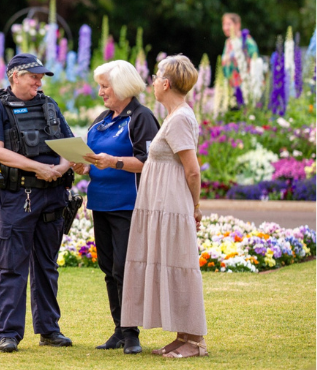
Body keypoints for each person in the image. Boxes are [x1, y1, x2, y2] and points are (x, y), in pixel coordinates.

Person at [0, 53, 74, 353]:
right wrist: (38, 168)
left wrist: (61, 167)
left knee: (47, 265)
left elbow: (69, 144)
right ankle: (8, 332)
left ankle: (49, 329)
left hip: (52, 196)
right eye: (33, 75)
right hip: (16, 197)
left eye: (41, 76)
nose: (38, 80)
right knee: (12, 267)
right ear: (14, 77)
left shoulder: (50, 105)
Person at [121, 55, 208, 358]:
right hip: (161, 205)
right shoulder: (174, 116)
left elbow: (192, 170)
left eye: (157, 77)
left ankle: (195, 342)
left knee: (180, 267)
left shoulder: (181, 117)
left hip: (173, 205)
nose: (153, 82)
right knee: (170, 264)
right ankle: (182, 336)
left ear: (167, 83)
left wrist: (195, 207)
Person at [70, 60, 159, 355]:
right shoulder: (103, 118)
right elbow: (95, 158)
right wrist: (84, 165)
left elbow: (150, 163)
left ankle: (131, 332)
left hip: (128, 205)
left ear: (121, 87)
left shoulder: (141, 118)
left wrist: (115, 162)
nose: (100, 92)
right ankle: (119, 329)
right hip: (101, 203)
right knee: (108, 267)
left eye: (105, 86)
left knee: (125, 268)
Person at [221, 13, 258, 91]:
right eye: (224, 24)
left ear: (238, 25)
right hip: (229, 87)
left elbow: (254, 62)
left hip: (245, 87)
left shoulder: (247, 41)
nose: (225, 27)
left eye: (228, 24)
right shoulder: (228, 42)